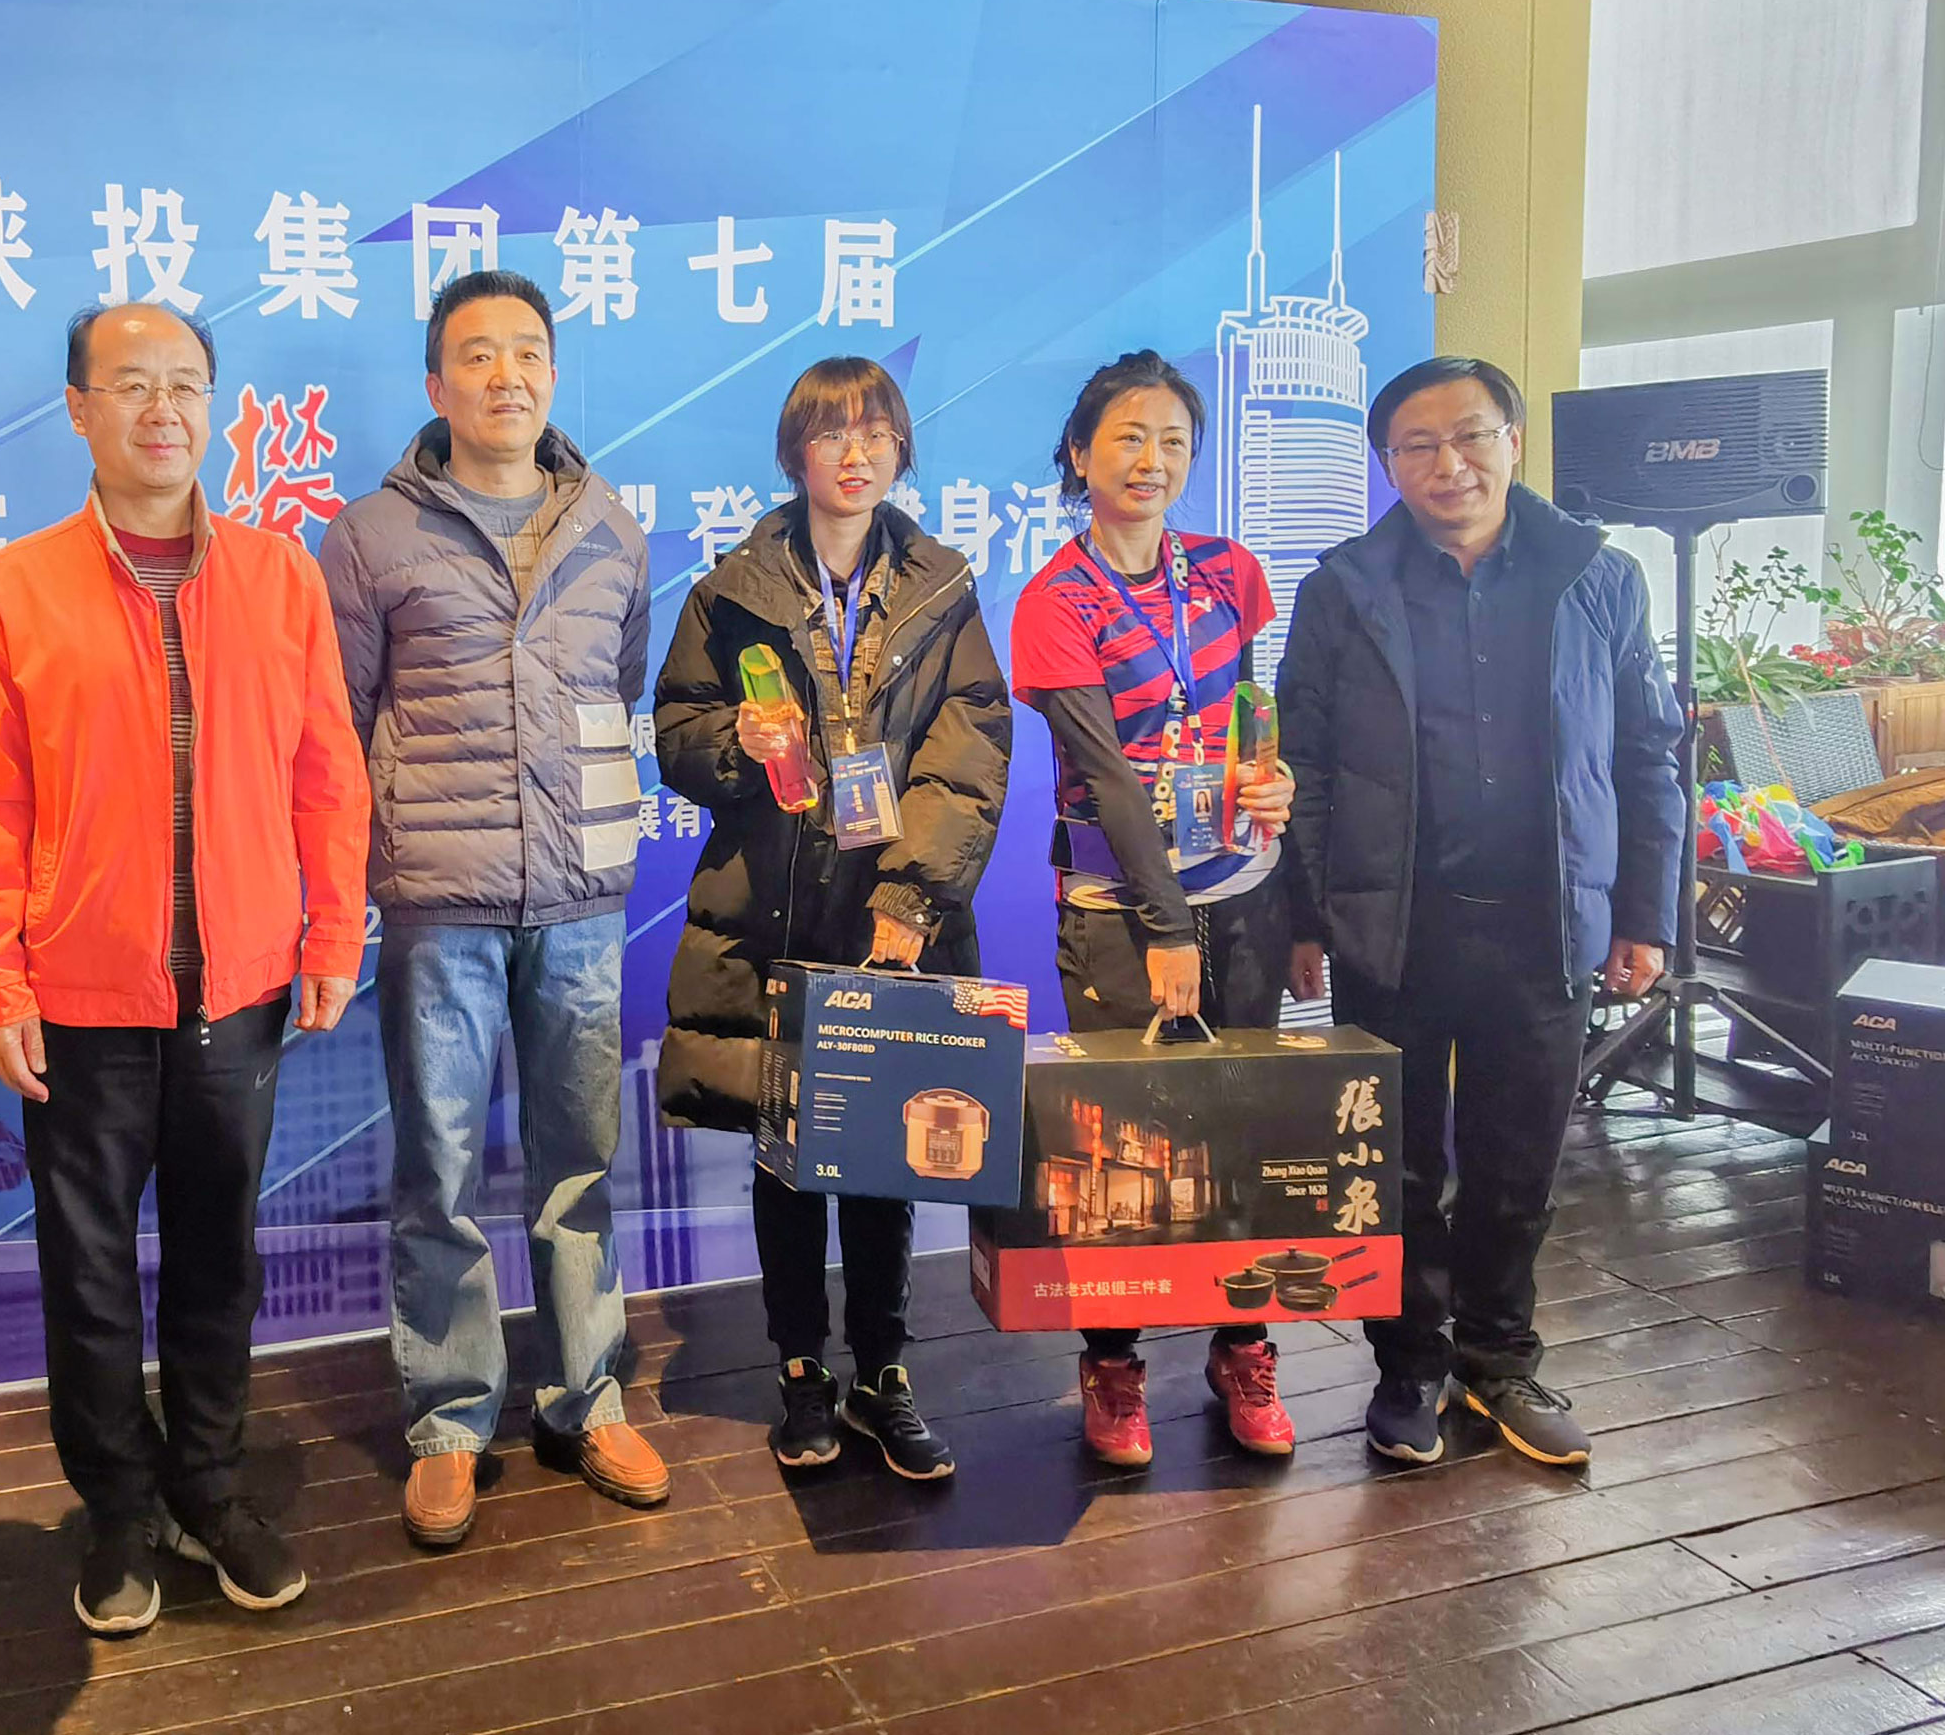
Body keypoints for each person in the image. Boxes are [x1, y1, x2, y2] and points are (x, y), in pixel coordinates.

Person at [0, 302, 369, 1635]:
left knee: (217, 1259)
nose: (162, 409)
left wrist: (333, 931)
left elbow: (326, 771)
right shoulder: (11, 590)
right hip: (80, 997)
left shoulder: (280, 575)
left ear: (214, 405)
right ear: (79, 409)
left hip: (238, 991)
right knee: (87, 1275)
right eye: (130, 384)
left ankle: (209, 1485)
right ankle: (117, 1510)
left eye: (185, 383)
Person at [1278, 355, 1681, 1470]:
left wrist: (1644, 913)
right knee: (1394, 1164)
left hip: (1545, 923)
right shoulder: (1344, 587)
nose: (1446, 463)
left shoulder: (1596, 577)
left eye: (1469, 435)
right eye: (1417, 445)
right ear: (1388, 463)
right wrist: (1308, 915)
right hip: (1395, 925)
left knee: (1518, 1163)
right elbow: (1304, 762)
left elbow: (1649, 753)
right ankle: (1408, 1365)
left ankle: (1500, 1359)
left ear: (1513, 442)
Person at [319, 269, 663, 1550]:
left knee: (582, 1163)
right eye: (477, 354)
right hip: (439, 904)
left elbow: (620, 686)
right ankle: (451, 1418)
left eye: (527, 352)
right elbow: (341, 720)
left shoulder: (614, 530)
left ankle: (588, 1398)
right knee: (441, 1171)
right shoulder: (369, 537)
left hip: (580, 901)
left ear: (553, 376)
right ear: (435, 384)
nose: (505, 374)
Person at [654, 357, 1010, 1480]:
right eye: (830, 433)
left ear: (902, 447)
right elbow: (676, 730)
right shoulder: (729, 591)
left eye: (876, 431)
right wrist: (736, 744)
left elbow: (966, 753)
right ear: (793, 453)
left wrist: (911, 900)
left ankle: (884, 1374)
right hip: (772, 915)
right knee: (786, 1161)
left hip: (891, 920)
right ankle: (801, 1370)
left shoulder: (944, 589)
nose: (855, 453)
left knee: (887, 1157)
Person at [1010, 349, 1302, 1471]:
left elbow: (1249, 722)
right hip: (1119, 912)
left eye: (1174, 439)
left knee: (1248, 1137)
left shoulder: (1230, 572)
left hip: (1246, 892)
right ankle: (1115, 1363)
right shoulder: (1055, 600)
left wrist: (1276, 787)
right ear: (1079, 455)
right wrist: (1169, 927)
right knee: (1122, 1149)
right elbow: (1108, 779)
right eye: (1128, 437)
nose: (1152, 459)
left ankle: (1244, 1346)